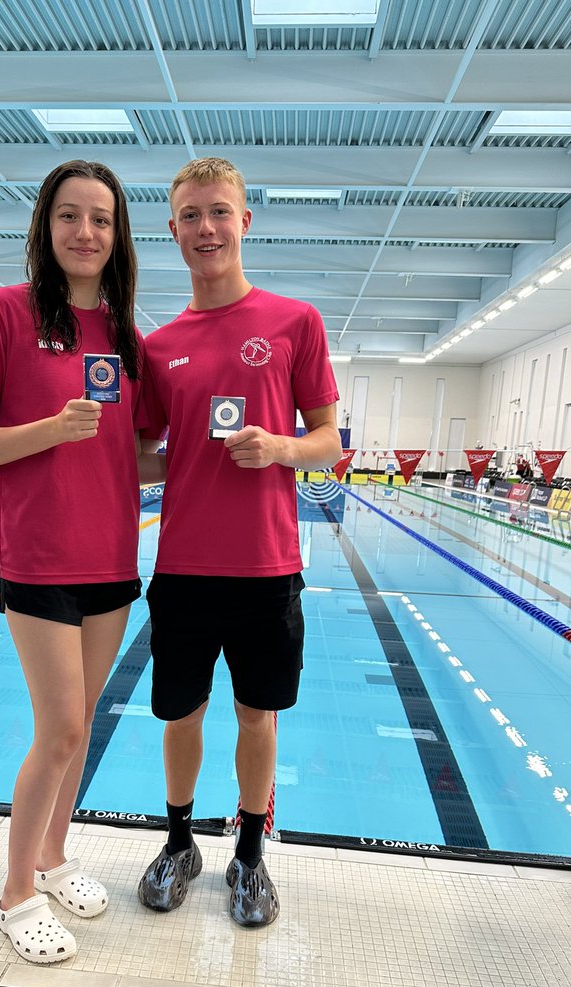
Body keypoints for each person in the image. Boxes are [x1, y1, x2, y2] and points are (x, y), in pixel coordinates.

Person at [0, 160, 143, 964]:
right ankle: (15, 891)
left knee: (84, 723)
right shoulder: (1, 313)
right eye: (69, 216)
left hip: (112, 558)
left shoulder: (126, 334)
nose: (85, 232)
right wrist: (48, 430)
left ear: (117, 234)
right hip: (38, 555)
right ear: (44, 226)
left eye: (100, 218)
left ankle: (55, 859)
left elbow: (131, 455)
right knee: (58, 728)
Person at [135, 157, 341, 927]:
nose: (206, 228)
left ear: (244, 221)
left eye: (219, 212)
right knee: (178, 716)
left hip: (266, 567)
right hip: (184, 566)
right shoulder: (161, 346)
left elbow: (327, 441)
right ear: (173, 231)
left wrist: (280, 449)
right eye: (190, 216)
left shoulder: (295, 323)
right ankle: (180, 841)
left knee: (259, 716)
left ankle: (249, 855)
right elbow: (151, 452)